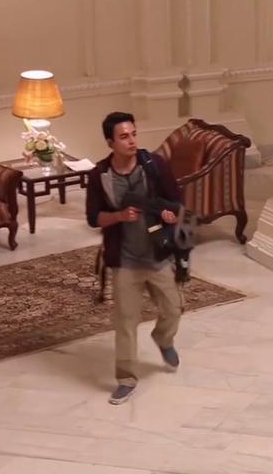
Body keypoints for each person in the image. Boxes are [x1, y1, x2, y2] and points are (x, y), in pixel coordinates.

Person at [85, 112, 184, 405]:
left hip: (157, 256)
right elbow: (93, 218)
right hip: (125, 261)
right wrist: (119, 216)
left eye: (133, 134)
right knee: (125, 323)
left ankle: (163, 339)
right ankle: (126, 379)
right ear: (110, 142)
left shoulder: (154, 165)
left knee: (174, 308)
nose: (131, 141)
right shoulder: (100, 175)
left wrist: (170, 214)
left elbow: (176, 202)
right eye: (124, 136)